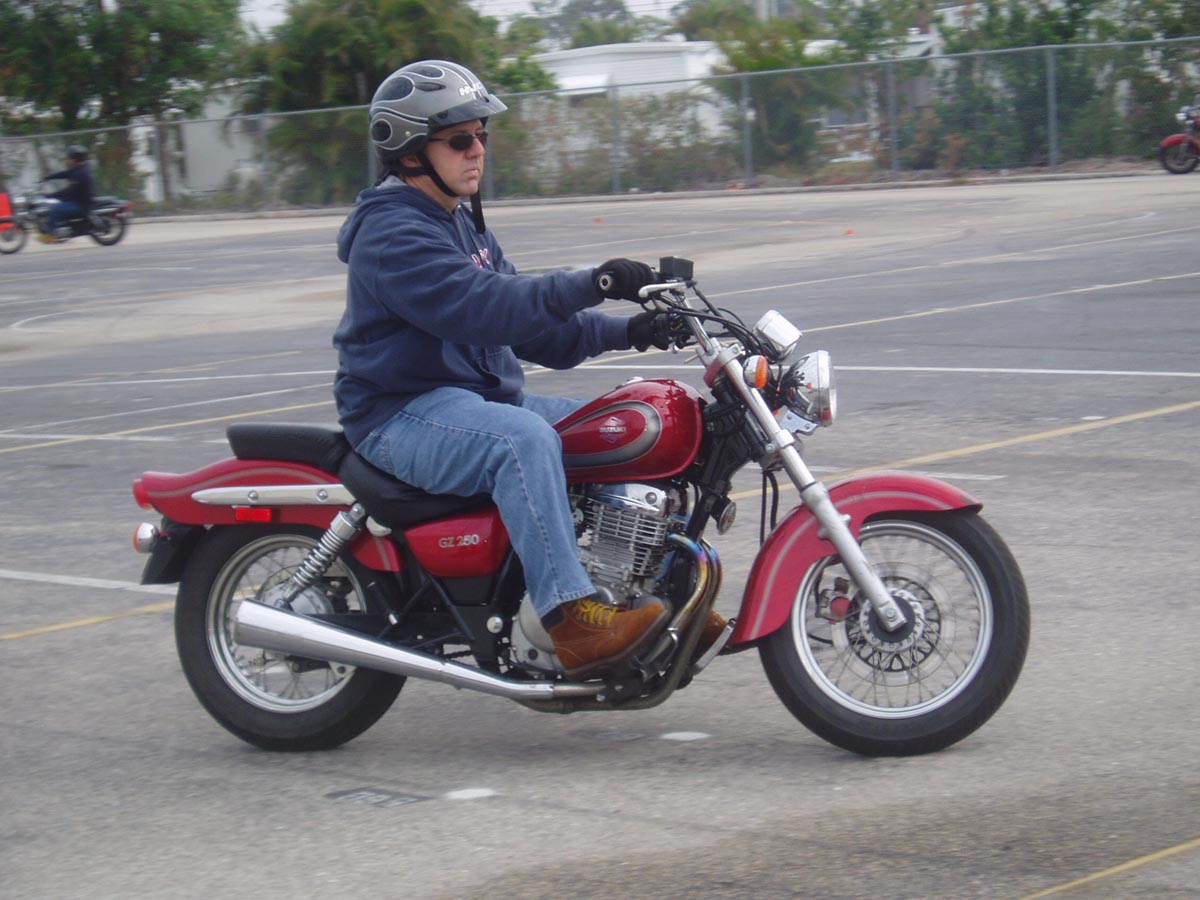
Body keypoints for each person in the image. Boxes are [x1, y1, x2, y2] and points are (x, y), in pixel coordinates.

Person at [333, 60, 724, 679]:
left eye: (481, 135)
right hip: (401, 413)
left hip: (474, 402)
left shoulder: (460, 224)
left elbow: (533, 329)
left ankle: (652, 593)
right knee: (524, 441)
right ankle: (571, 619)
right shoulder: (392, 233)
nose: (477, 150)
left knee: (618, 427)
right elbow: (486, 307)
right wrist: (594, 282)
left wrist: (633, 331)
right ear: (409, 152)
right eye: (459, 139)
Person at [38, 145, 95, 243]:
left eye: (70, 157)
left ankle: (50, 235)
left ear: (75, 159)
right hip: (77, 200)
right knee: (54, 203)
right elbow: (65, 174)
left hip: (81, 204)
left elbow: (69, 191)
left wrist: (51, 195)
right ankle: (57, 227)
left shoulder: (81, 174)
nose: (68, 160)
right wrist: (48, 177)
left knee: (55, 209)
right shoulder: (79, 169)